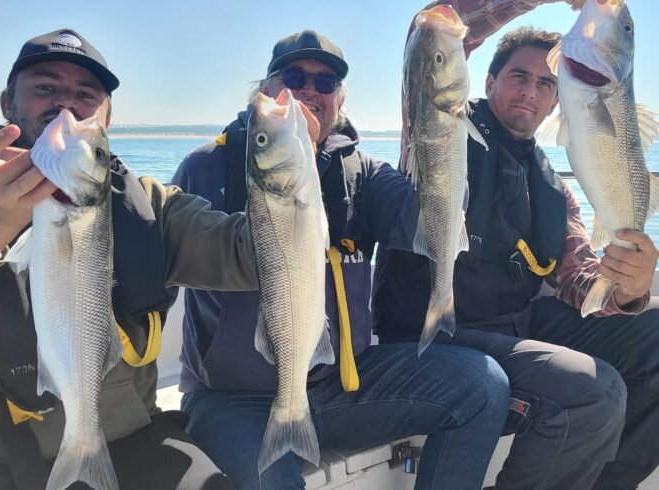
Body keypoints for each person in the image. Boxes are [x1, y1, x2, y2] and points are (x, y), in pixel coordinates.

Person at [0, 28, 261, 490]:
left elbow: (254, 258)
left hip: (135, 442)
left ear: (107, 116)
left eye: (87, 95)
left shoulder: (149, 207)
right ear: (8, 104)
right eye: (45, 87)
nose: (66, 105)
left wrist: (284, 165)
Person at [171, 29, 511, 490]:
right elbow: (160, 273)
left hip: (340, 383)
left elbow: (427, 228)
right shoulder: (204, 166)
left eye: (326, 83)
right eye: (294, 77)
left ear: (340, 99)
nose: (311, 90)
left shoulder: (363, 173)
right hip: (232, 396)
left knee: (482, 385)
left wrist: (439, 124)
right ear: (266, 90)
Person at [373, 2, 659, 489]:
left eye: (545, 83)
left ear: (556, 100)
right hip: (435, 337)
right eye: (517, 77)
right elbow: (437, 31)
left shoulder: (557, 190)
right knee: (594, 393)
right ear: (487, 83)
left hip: (515, 331)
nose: (530, 92)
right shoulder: (438, 125)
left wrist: (629, 290)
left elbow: (577, 281)